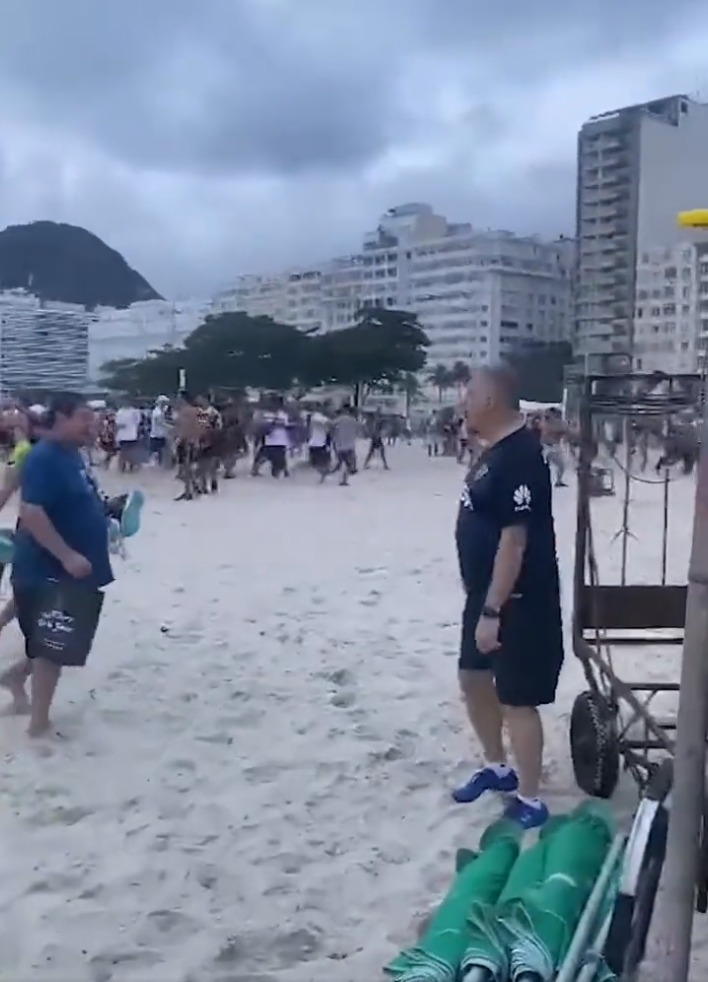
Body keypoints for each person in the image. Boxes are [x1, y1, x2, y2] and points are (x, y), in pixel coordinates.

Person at [452, 364, 563, 829]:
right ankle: (497, 767)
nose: (463, 402)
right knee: (473, 678)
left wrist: (494, 609)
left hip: (516, 599)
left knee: (517, 698)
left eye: (469, 394)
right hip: (484, 593)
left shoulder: (521, 455)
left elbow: (514, 541)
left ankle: (531, 799)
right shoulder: (493, 450)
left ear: (491, 401)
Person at [2, 393, 114, 736]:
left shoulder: (73, 455)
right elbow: (31, 512)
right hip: (49, 567)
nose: (91, 424)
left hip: (77, 565)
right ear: (60, 418)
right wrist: (67, 555)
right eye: (83, 417)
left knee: (63, 640)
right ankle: (38, 725)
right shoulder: (45, 457)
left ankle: (16, 677)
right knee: (54, 645)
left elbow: (77, 501)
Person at [115, 398, 141, 472]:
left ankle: (131, 467)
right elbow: (117, 424)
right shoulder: (119, 412)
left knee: (130, 452)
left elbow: (138, 423)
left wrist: (138, 433)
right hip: (123, 436)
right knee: (123, 453)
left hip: (132, 435)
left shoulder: (135, 411)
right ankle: (122, 468)